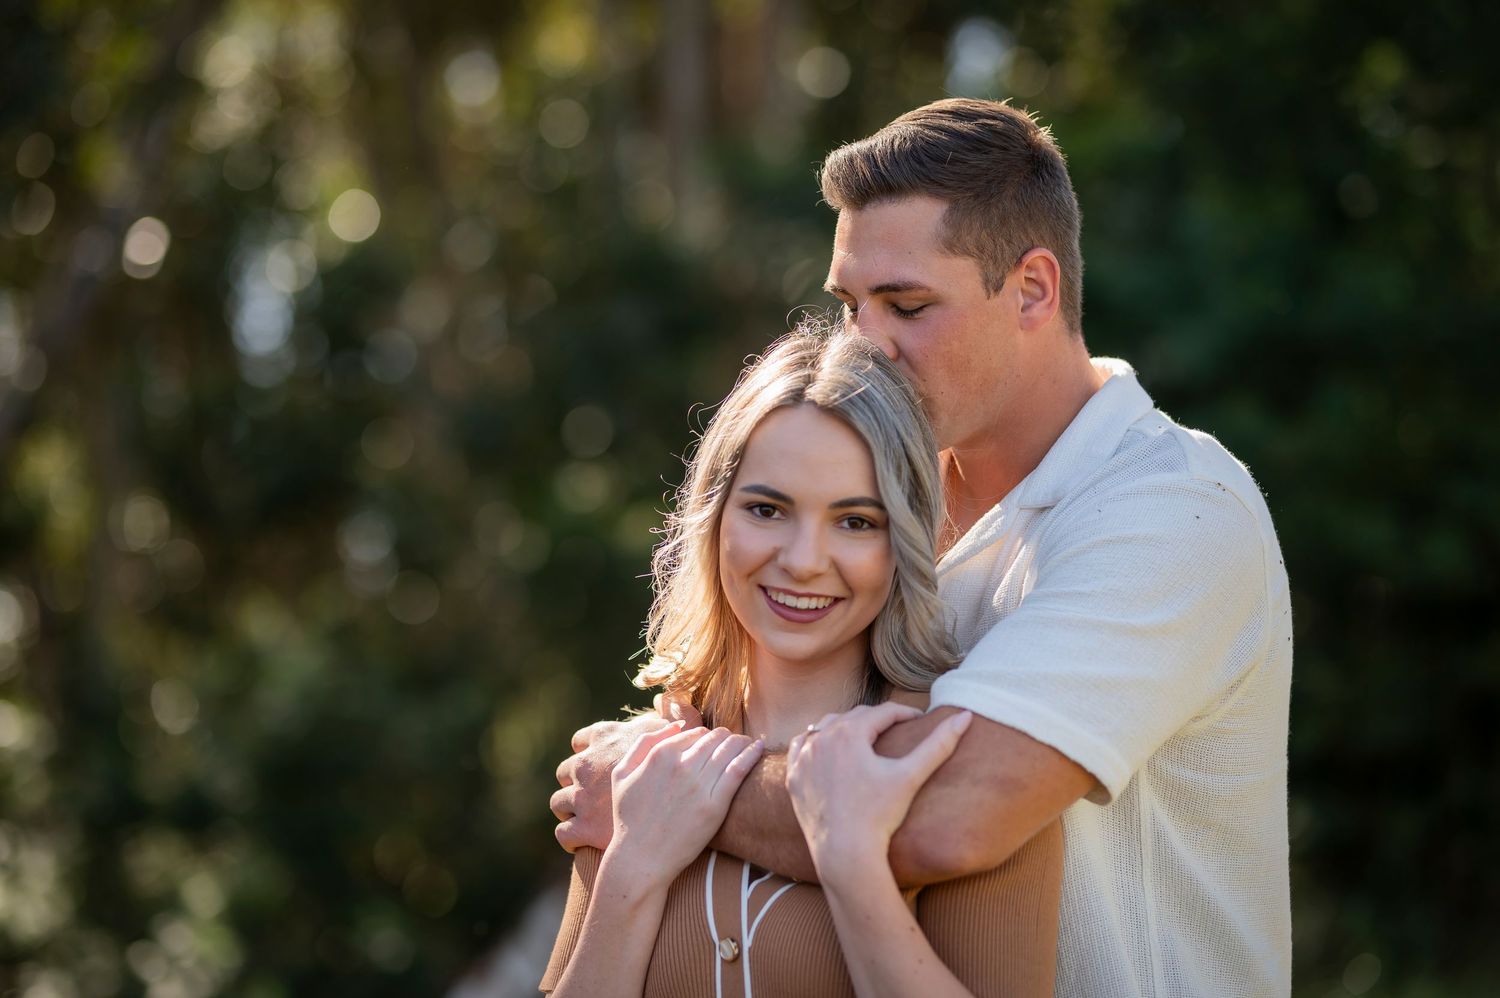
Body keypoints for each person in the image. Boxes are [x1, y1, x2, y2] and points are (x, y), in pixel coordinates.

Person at [552, 97, 1294, 997]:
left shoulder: (1174, 510)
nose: (867, 344)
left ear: (1032, 290)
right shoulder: (880, 498)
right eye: (850, 305)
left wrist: (661, 784)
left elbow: (946, 816)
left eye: (906, 305)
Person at [541, 327, 1063, 997]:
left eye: (855, 522)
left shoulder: (957, 763)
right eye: (767, 509)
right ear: (715, 516)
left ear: (907, 538)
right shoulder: (642, 760)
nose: (804, 560)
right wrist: (632, 869)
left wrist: (851, 864)